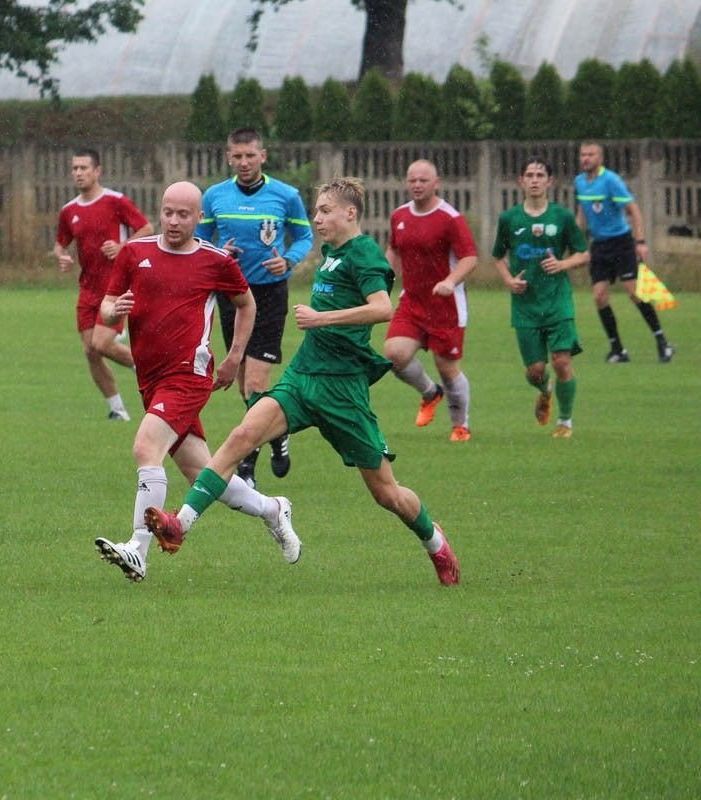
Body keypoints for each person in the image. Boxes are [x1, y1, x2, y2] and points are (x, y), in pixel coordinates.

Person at [144, 178, 460, 587]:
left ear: (351, 213)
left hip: (342, 390)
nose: (316, 218)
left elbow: (382, 309)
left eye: (325, 210)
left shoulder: (363, 254)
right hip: (303, 376)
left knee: (388, 494)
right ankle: (180, 525)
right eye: (316, 210)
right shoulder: (330, 254)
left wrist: (321, 318)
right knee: (242, 435)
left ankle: (435, 543)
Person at [93, 181, 300, 582]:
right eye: (168, 212)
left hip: (188, 374)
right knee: (204, 475)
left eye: (183, 214)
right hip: (151, 379)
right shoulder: (136, 253)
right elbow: (105, 307)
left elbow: (246, 303)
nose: (173, 221)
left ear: (199, 218)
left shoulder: (215, 260)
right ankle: (274, 509)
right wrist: (112, 310)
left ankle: (138, 548)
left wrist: (235, 356)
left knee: (145, 447)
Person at [199, 127, 313, 488]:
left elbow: (306, 236)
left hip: (268, 295)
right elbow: (200, 239)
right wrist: (219, 253)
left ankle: (247, 466)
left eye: (251, 155)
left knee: (257, 380)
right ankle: (277, 433)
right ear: (228, 157)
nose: (244, 162)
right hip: (232, 296)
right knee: (245, 385)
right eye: (237, 156)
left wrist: (289, 260)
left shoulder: (286, 195)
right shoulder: (215, 196)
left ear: (263, 156)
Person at [492, 155, 590, 439]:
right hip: (526, 306)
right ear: (521, 181)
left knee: (561, 361)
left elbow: (583, 253)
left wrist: (563, 264)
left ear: (550, 181)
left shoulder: (562, 217)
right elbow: (498, 256)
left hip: (558, 301)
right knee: (535, 370)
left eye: (539, 175)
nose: (534, 180)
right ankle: (544, 389)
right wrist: (510, 280)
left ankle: (565, 421)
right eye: (529, 175)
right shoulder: (509, 219)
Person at [54, 148, 154, 421]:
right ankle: (117, 409)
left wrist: (123, 246)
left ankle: (148, 369)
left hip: (116, 286)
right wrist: (61, 257)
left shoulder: (115, 201)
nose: (78, 173)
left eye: (84, 168)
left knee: (101, 343)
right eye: (75, 168)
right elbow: (60, 243)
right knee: (90, 351)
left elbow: (146, 229)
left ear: (97, 171)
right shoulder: (69, 210)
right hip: (87, 289)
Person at [384, 160, 479, 442]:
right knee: (394, 355)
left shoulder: (449, 217)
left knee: (447, 369)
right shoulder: (399, 215)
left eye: (423, 180)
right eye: (412, 180)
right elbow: (393, 248)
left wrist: (450, 281)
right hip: (412, 301)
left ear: (436, 183)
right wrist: (383, 279)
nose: (417, 185)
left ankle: (460, 425)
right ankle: (430, 393)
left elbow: (470, 257)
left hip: (445, 306)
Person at [574, 141, 674, 364]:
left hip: (621, 243)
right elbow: (581, 215)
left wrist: (640, 241)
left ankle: (662, 342)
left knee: (634, 293)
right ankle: (618, 349)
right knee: (599, 296)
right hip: (599, 246)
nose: (586, 159)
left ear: (600, 157)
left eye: (590, 154)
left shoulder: (611, 181)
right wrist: (573, 240)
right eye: (583, 155)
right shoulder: (579, 182)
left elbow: (634, 211)